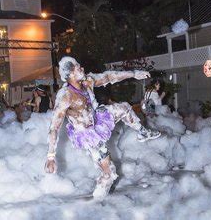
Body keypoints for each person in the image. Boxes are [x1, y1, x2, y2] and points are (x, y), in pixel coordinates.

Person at [44, 57, 161, 198]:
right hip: (87, 135)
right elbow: (54, 127)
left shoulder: (87, 81)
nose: (81, 67)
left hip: (98, 118)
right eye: (77, 66)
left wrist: (134, 74)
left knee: (124, 108)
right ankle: (98, 200)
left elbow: (109, 76)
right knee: (110, 173)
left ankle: (142, 132)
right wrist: (50, 156)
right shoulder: (65, 96)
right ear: (70, 74)